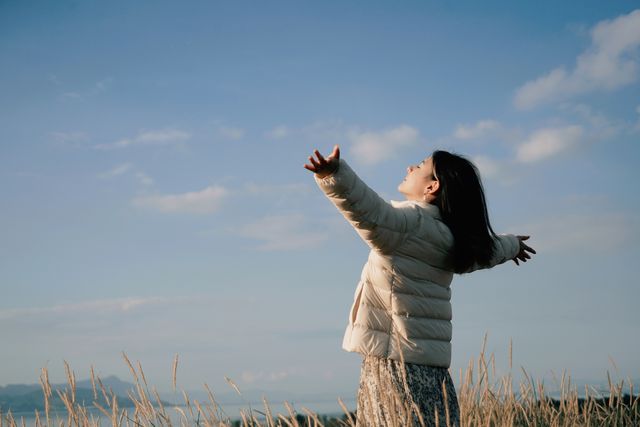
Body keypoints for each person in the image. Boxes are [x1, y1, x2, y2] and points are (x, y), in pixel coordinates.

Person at [304, 145, 535, 427]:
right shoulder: (454, 240)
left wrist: (334, 174)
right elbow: (488, 251)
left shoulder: (409, 224)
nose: (409, 168)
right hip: (433, 373)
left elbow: (370, 213)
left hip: (395, 364)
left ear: (432, 186)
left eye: (419, 165)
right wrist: (512, 245)